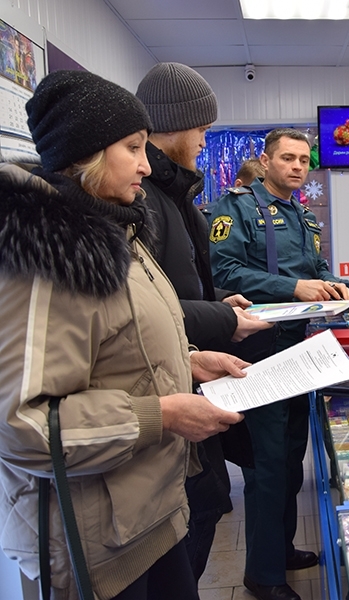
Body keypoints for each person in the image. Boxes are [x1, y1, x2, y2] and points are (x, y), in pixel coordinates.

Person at [0, 70, 248, 600]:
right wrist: (163, 415)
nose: (145, 162)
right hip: (96, 548)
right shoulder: (48, 257)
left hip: (148, 518)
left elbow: (119, 344)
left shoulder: (117, 230)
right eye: (133, 147)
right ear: (87, 155)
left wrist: (190, 359)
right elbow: (21, 424)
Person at [134, 61, 272, 580]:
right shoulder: (143, 202)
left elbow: (177, 290)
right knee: (192, 523)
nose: (204, 140)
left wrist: (220, 304)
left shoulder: (176, 196)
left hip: (192, 373)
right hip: (169, 409)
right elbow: (150, 310)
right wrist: (220, 316)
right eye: (201, 128)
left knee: (207, 509)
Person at [209, 128, 349, 600]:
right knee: (268, 467)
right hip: (256, 353)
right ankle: (263, 575)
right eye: (287, 158)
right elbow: (223, 272)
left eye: (303, 160)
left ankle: (283, 548)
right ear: (266, 161)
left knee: (292, 460)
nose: (296, 166)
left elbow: (314, 270)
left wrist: (333, 286)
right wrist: (295, 289)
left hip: (300, 353)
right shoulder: (236, 208)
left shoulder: (304, 217)